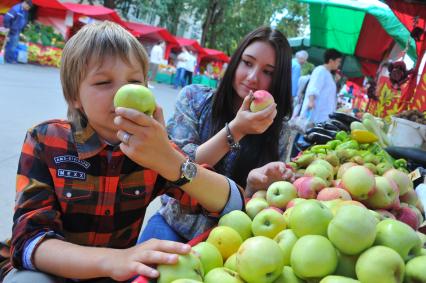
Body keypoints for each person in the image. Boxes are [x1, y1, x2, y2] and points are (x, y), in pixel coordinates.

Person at [1, 21, 244, 283]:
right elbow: (29, 242)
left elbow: (232, 203)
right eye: (104, 82)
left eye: (134, 82)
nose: (121, 92)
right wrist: (116, 259)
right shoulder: (45, 140)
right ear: (74, 96)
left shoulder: (153, 149)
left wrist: (170, 161)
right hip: (51, 271)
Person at [140, 26, 294, 243]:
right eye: (247, 63)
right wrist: (236, 130)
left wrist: (252, 184)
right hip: (174, 222)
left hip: (231, 239)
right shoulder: (194, 99)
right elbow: (176, 169)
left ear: (279, 79)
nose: (252, 77)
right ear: (236, 61)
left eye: (268, 72)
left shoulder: (280, 131)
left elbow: (266, 203)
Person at [299, 48, 343, 124]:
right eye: (338, 61)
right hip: (316, 113)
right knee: (306, 132)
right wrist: (311, 101)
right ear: (331, 60)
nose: (339, 64)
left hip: (322, 115)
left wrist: (335, 81)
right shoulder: (320, 70)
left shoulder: (328, 74)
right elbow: (313, 87)